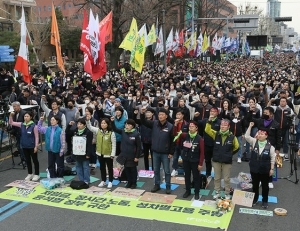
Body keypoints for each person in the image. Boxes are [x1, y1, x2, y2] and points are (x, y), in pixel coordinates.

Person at [141, 107, 175, 194]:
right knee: (156, 170)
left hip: (165, 152)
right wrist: (142, 114)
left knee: (167, 171)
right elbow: (144, 122)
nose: (160, 116)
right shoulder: (154, 123)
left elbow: (172, 140)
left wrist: (171, 152)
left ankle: (168, 186)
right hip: (155, 151)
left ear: (166, 116)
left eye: (162, 115)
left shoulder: (170, 126)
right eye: (159, 114)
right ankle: (157, 185)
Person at [205, 118, 239, 200]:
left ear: (228, 126)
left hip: (227, 161)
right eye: (221, 125)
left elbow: (237, 147)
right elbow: (207, 129)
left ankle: (227, 193)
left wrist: (229, 154)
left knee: (226, 178)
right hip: (216, 160)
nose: (223, 126)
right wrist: (209, 121)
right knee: (217, 177)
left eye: (225, 125)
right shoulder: (216, 134)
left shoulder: (232, 137)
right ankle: (217, 192)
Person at [245, 122, 276, 209]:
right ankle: (255, 199)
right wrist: (250, 126)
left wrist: (272, 169)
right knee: (255, 185)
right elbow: (247, 137)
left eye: (262, 134)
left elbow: (273, 159)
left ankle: (265, 200)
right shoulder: (254, 141)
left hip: (265, 169)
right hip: (254, 168)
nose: (260, 135)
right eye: (259, 133)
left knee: (265, 186)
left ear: (266, 136)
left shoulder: (270, 147)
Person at [176, 121, 204, 200]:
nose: (190, 128)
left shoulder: (200, 139)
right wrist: (175, 125)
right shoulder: (185, 135)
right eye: (189, 127)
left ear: (196, 128)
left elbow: (202, 152)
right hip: (186, 160)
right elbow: (176, 133)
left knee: (196, 177)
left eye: (192, 127)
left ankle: (197, 192)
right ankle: (187, 191)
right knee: (187, 176)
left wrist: (200, 163)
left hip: (195, 161)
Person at [86, 117, 116, 188]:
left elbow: (114, 145)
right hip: (100, 153)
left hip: (108, 154)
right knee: (102, 168)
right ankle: (103, 181)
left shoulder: (111, 133)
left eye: (104, 123)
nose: (103, 124)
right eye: (102, 123)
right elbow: (90, 127)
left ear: (108, 124)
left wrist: (112, 154)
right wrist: (87, 121)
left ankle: (110, 181)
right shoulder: (98, 130)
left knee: (109, 168)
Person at [9, 111, 39, 181]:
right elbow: (11, 122)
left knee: (35, 161)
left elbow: (37, 137)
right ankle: (30, 174)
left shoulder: (34, 126)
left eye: (27, 116)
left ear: (31, 117)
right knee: (28, 160)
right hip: (24, 146)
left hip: (32, 146)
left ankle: (37, 174)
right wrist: (10, 116)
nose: (26, 118)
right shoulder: (22, 124)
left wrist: (36, 146)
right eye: (25, 116)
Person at [111, 118, 141, 189]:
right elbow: (115, 129)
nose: (127, 126)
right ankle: (129, 181)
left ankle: (134, 183)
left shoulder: (136, 134)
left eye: (129, 125)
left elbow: (139, 147)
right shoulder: (123, 132)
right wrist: (112, 122)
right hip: (124, 155)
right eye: (126, 124)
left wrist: (137, 156)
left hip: (132, 155)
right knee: (127, 169)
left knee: (133, 169)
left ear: (132, 126)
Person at [67, 118, 93, 185]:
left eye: (80, 124)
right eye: (78, 124)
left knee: (85, 167)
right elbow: (68, 132)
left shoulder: (88, 132)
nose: (79, 125)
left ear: (84, 125)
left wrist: (88, 154)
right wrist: (69, 125)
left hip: (84, 153)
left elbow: (89, 144)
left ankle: (86, 180)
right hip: (77, 153)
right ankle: (81, 180)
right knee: (78, 167)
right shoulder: (76, 131)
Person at [10, 101, 27, 167]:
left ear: (19, 106)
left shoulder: (24, 113)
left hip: (23, 133)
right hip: (17, 133)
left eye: (15, 106)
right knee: (19, 147)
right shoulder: (14, 114)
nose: (14, 108)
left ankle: (26, 160)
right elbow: (13, 123)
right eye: (13, 106)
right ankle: (22, 159)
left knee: (22, 147)